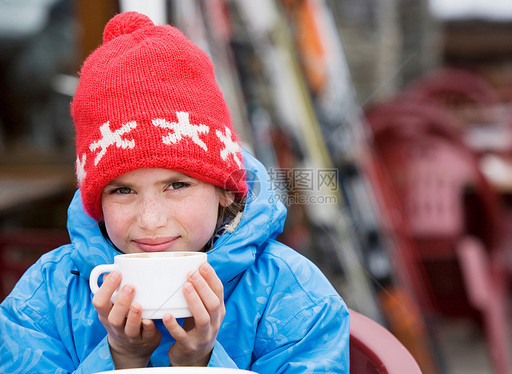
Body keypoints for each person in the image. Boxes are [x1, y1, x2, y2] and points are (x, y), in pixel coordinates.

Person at [0, 11, 349, 373]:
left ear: (225, 190)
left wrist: (202, 362)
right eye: (122, 191)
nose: (151, 220)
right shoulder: (45, 298)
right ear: (96, 203)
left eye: (177, 185)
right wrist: (121, 358)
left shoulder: (294, 298)